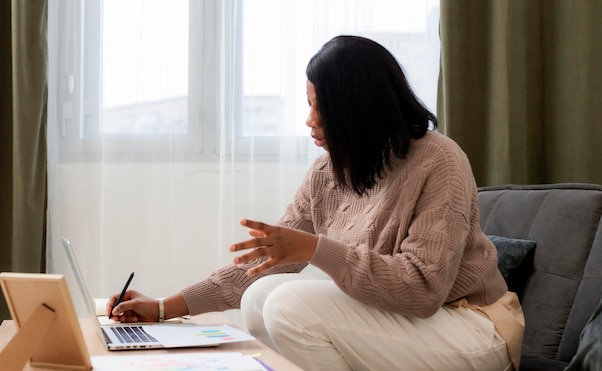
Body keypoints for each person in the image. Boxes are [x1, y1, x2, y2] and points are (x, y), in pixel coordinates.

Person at [107, 35, 525, 371]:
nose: (309, 120)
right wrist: (162, 308)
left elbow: (422, 290)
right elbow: (258, 269)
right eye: (309, 104)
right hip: (406, 324)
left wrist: (315, 249)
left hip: (471, 326)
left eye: (321, 108)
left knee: (291, 305)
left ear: (359, 110)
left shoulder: (440, 160)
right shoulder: (328, 172)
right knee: (261, 296)